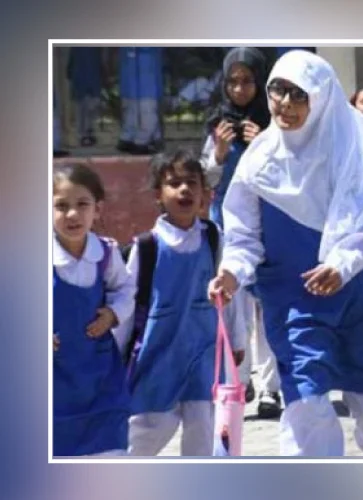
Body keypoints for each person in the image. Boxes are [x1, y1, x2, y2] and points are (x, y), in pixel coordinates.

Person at [208, 50, 363, 456]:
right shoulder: (258, 161)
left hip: (356, 296)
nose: (285, 104)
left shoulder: (345, 154)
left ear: (321, 100)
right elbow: (244, 234)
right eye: (278, 90)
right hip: (294, 300)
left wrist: (339, 266)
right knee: (305, 398)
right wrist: (232, 271)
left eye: (299, 94)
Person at [120, 150, 244, 456]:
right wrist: (116, 353)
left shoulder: (214, 239)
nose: (184, 189)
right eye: (174, 183)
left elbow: (231, 296)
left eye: (192, 182)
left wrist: (237, 339)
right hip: (159, 354)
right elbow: (127, 305)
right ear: (158, 195)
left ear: (205, 193)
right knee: (148, 429)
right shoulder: (146, 247)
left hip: (204, 354)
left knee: (204, 429)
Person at [200, 47, 280, 416]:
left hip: (266, 226)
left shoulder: (274, 124)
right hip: (227, 229)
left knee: (266, 309)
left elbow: (285, 175)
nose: (239, 89)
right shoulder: (219, 125)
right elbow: (207, 180)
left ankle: (270, 388)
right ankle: (240, 379)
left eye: (247, 81)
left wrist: (263, 143)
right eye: (232, 81)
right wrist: (218, 152)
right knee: (235, 310)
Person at [52, 163, 134, 456]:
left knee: (110, 448)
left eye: (82, 204)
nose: (72, 214)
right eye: (61, 206)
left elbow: (125, 289)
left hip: (100, 373)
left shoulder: (106, 253)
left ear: (97, 209)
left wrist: (113, 313)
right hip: (54, 378)